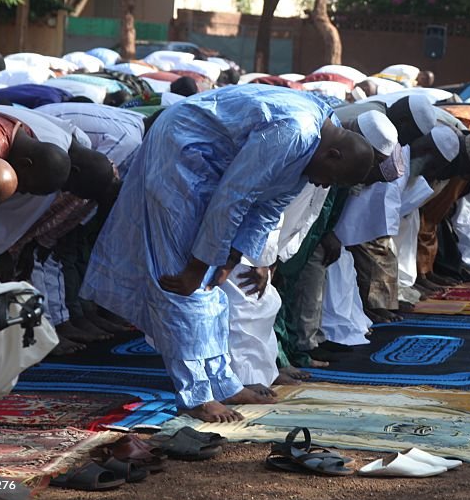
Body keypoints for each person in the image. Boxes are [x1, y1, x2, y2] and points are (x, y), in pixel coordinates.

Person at [81, 85, 374, 423]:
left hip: (211, 166)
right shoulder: (295, 132)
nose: (322, 186)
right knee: (184, 285)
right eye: (329, 179)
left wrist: (231, 257)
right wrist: (199, 264)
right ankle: (196, 396)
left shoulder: (323, 129)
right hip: (181, 150)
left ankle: (224, 383)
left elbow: (270, 204)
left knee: (211, 286)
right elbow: (234, 195)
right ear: (333, 156)